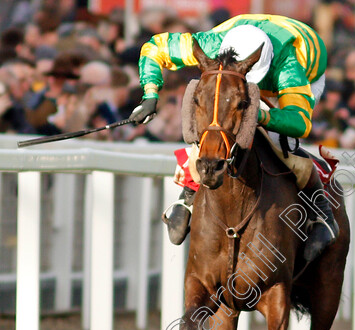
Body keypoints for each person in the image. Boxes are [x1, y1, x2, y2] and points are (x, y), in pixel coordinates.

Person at [130, 14, 338, 262]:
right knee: (216, 116)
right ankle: (188, 197)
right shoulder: (210, 44)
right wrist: (151, 93)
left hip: (308, 64)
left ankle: (323, 214)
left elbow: (301, 122)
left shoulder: (288, 64)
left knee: (281, 141)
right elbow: (153, 48)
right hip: (235, 62)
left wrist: (260, 115)